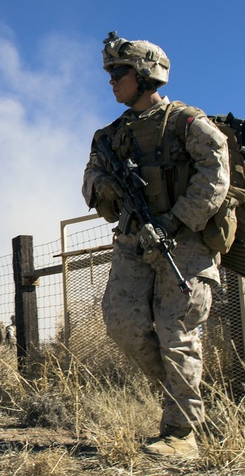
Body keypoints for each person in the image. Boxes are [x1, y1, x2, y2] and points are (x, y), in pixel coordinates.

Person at [82, 32, 229, 459]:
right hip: (133, 242)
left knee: (176, 331)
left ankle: (182, 432)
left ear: (146, 75)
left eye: (119, 73)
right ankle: (184, 404)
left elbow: (214, 174)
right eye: (110, 73)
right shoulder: (109, 137)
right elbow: (88, 178)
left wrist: (173, 220)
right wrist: (104, 184)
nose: (111, 81)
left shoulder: (186, 122)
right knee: (123, 325)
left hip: (185, 242)